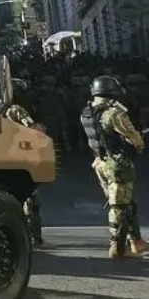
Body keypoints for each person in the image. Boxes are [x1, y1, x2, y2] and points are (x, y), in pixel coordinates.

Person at [81, 74, 147, 258]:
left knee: (126, 202)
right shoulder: (113, 113)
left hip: (99, 163)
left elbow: (100, 136)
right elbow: (136, 140)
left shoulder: (86, 112)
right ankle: (117, 248)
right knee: (119, 206)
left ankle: (136, 242)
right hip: (116, 164)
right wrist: (138, 139)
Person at [0, 78, 46, 247]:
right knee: (31, 201)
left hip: (2, 160)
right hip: (21, 159)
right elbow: (33, 130)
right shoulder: (16, 110)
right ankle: (34, 238)